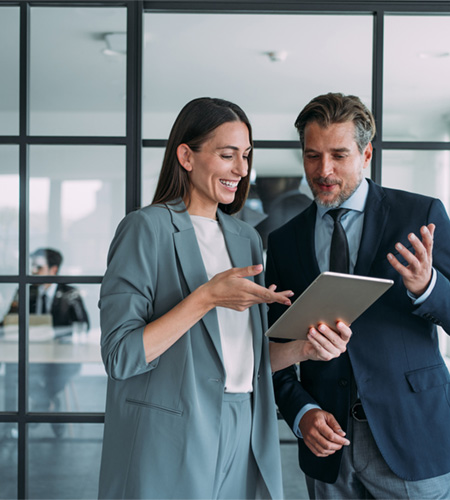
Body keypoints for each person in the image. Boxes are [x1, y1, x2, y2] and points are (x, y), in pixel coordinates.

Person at [97, 97, 352, 500]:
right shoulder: (145, 229)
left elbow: (246, 360)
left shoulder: (246, 238)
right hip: (171, 433)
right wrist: (206, 297)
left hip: (246, 425)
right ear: (186, 155)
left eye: (246, 156)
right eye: (227, 155)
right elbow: (120, 356)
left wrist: (304, 349)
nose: (241, 169)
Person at [266, 92, 450, 499]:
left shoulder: (420, 216)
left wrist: (427, 288)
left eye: (339, 154)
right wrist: (302, 413)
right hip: (328, 447)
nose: (324, 170)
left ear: (366, 154)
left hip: (413, 437)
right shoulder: (283, 242)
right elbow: (272, 350)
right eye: (312, 156)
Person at [5, 248, 89, 435]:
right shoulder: (25, 290)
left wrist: (51, 332)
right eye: (32, 266)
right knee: (14, 369)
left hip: (61, 357)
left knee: (51, 373)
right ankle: (49, 407)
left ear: (53, 269)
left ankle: (39, 409)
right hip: (32, 355)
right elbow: (7, 322)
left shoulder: (70, 293)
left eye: (39, 267)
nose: (33, 272)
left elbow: (83, 326)